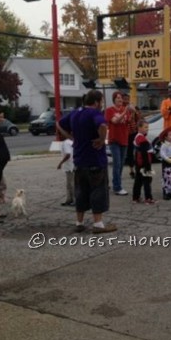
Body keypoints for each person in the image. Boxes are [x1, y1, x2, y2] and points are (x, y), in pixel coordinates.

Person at [57, 89, 116, 234]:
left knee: (81, 192)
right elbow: (102, 125)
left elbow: (59, 124)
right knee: (98, 191)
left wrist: (71, 137)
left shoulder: (75, 113)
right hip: (95, 159)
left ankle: (79, 222)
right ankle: (98, 224)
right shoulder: (95, 113)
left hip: (79, 160)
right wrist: (102, 139)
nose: (102, 104)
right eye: (101, 101)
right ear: (96, 102)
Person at [105, 91, 131, 196]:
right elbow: (115, 121)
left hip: (124, 139)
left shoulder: (126, 111)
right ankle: (117, 187)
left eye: (121, 98)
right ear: (114, 99)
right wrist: (125, 112)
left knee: (121, 165)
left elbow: (128, 122)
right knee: (117, 163)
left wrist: (132, 111)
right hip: (114, 140)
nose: (120, 100)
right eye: (118, 98)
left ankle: (117, 183)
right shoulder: (109, 110)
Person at [132, 119, 156, 205]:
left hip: (139, 163)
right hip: (144, 163)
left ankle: (136, 197)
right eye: (145, 127)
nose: (147, 129)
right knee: (147, 180)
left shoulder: (138, 137)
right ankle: (148, 198)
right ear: (139, 128)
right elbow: (144, 153)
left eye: (148, 127)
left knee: (138, 181)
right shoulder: (141, 138)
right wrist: (147, 167)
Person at [57, 136, 75, 207]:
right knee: (69, 185)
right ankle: (69, 199)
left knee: (72, 184)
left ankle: (74, 200)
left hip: (70, 167)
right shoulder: (70, 141)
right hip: (71, 166)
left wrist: (60, 163)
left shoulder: (66, 143)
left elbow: (68, 154)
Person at [125, 101, 141, 180]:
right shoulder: (124, 111)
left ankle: (138, 169)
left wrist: (134, 111)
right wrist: (131, 113)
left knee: (138, 151)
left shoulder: (135, 111)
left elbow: (139, 119)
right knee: (130, 152)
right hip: (128, 135)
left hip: (135, 133)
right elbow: (127, 120)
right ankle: (132, 170)